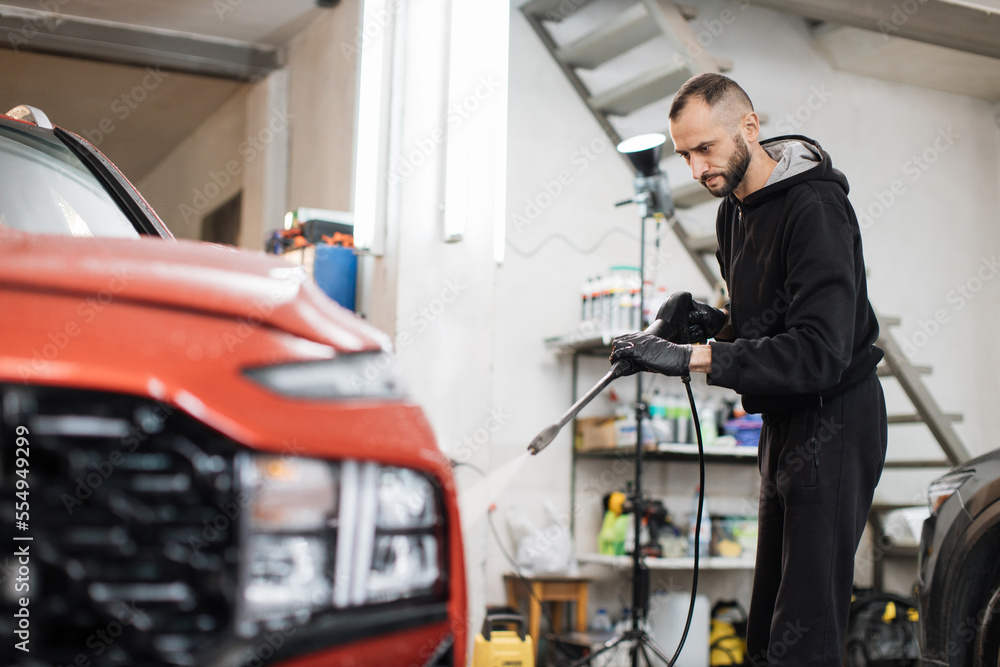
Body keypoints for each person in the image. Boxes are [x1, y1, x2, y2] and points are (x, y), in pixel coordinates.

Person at [609, 73, 888, 667]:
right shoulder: (732, 214)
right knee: (767, 624)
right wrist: (712, 323)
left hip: (836, 419)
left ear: (749, 128)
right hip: (783, 421)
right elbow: (766, 324)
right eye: (684, 154)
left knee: (806, 630)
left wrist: (696, 357)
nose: (694, 169)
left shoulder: (815, 207)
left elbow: (819, 348)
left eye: (704, 148)